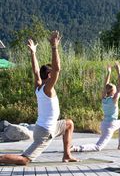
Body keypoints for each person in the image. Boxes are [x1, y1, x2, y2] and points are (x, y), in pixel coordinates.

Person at [0, 31, 78, 165]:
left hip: (48, 127)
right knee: (25, 160)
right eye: (51, 72)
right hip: (45, 132)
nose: (54, 74)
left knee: (69, 123)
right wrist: (54, 47)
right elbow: (57, 69)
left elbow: (36, 71)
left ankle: (67, 155)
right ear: (49, 75)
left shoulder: (38, 86)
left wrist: (33, 53)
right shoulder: (48, 88)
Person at [71, 62, 120, 152]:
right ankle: (76, 148)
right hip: (110, 125)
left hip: (104, 124)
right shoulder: (114, 100)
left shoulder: (103, 98)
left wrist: (109, 73)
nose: (117, 90)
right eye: (115, 89)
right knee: (98, 147)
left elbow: (106, 85)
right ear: (113, 92)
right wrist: (118, 70)